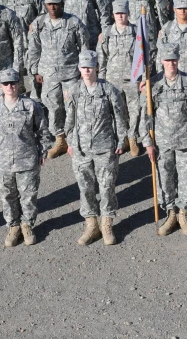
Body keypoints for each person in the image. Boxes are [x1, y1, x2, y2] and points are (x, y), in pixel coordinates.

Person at [0, 68, 52, 247]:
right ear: (1, 86)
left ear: (19, 84)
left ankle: (27, 224)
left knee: (28, 196)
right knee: (7, 196)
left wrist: (43, 152)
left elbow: (43, 132)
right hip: (2, 161)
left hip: (27, 159)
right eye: (6, 83)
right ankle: (13, 226)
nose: (10, 86)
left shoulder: (31, 106)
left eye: (13, 82)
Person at [65, 50, 128, 246]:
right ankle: (91, 224)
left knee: (107, 187)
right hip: (81, 149)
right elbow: (69, 119)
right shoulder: (74, 90)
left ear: (96, 68)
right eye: (83, 67)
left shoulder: (109, 90)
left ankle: (107, 224)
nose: (86, 71)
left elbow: (120, 117)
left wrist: (121, 141)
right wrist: (70, 141)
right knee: (86, 188)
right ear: (79, 68)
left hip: (105, 148)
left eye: (89, 67)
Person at [141, 43, 187, 237]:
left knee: (185, 179)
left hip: (186, 140)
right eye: (168, 60)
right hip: (162, 142)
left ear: (178, 59)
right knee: (165, 179)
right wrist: (148, 143)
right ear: (162, 61)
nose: (171, 63)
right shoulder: (154, 84)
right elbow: (145, 116)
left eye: (174, 59)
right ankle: (170, 212)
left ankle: (183, 213)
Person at [28, 0, 90, 159]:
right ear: (46, 5)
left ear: (62, 4)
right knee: (54, 107)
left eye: (56, 4)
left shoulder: (74, 23)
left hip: (71, 73)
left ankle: (74, 139)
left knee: (73, 106)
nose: (53, 7)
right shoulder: (39, 23)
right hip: (49, 74)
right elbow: (34, 48)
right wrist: (35, 70)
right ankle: (60, 139)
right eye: (50, 4)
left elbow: (84, 47)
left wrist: (85, 70)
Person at [98, 0, 142, 156]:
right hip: (112, 80)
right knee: (117, 110)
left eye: (123, 13)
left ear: (128, 14)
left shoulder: (137, 32)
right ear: (113, 15)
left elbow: (144, 56)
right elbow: (102, 58)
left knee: (134, 110)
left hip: (132, 78)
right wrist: (101, 80)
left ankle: (132, 138)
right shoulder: (107, 34)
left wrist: (143, 78)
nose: (120, 16)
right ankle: (121, 139)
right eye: (117, 13)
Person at [0, 0, 45, 96]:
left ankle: (37, 99)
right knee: (12, 73)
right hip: (11, 43)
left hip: (30, 41)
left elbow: (43, 14)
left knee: (33, 71)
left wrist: (35, 25)